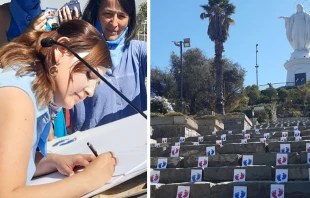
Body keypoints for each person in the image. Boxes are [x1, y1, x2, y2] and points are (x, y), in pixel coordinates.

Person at [0, 20, 118, 197]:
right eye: (88, 75)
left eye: (97, 83)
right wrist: (87, 181)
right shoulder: (17, 96)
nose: (91, 91)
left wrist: (52, 161)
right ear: (61, 50)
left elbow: (11, 163)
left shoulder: (29, 83)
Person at [62, 0, 147, 132]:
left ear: (130, 19)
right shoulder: (75, 51)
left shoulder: (139, 51)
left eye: (121, 16)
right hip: (90, 149)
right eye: (107, 14)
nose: (114, 23)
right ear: (96, 14)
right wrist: (70, 44)